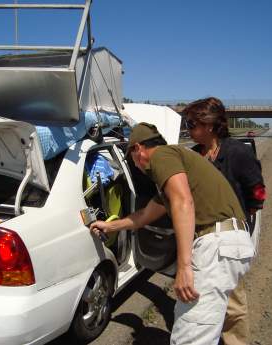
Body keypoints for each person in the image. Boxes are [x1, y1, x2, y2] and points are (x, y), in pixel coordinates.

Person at [90, 122, 255, 345]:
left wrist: (185, 266)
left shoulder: (163, 156)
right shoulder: (173, 175)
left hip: (214, 246)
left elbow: (182, 202)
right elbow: (144, 216)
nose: (134, 165)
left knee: (191, 336)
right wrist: (110, 226)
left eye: (131, 157)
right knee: (207, 329)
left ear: (138, 149)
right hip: (231, 243)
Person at [183, 97, 266, 345]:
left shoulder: (238, 152)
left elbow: (258, 193)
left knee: (232, 301)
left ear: (209, 124)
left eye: (192, 123)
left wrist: (241, 219)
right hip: (201, 238)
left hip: (229, 237)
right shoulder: (194, 155)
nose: (188, 128)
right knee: (203, 294)